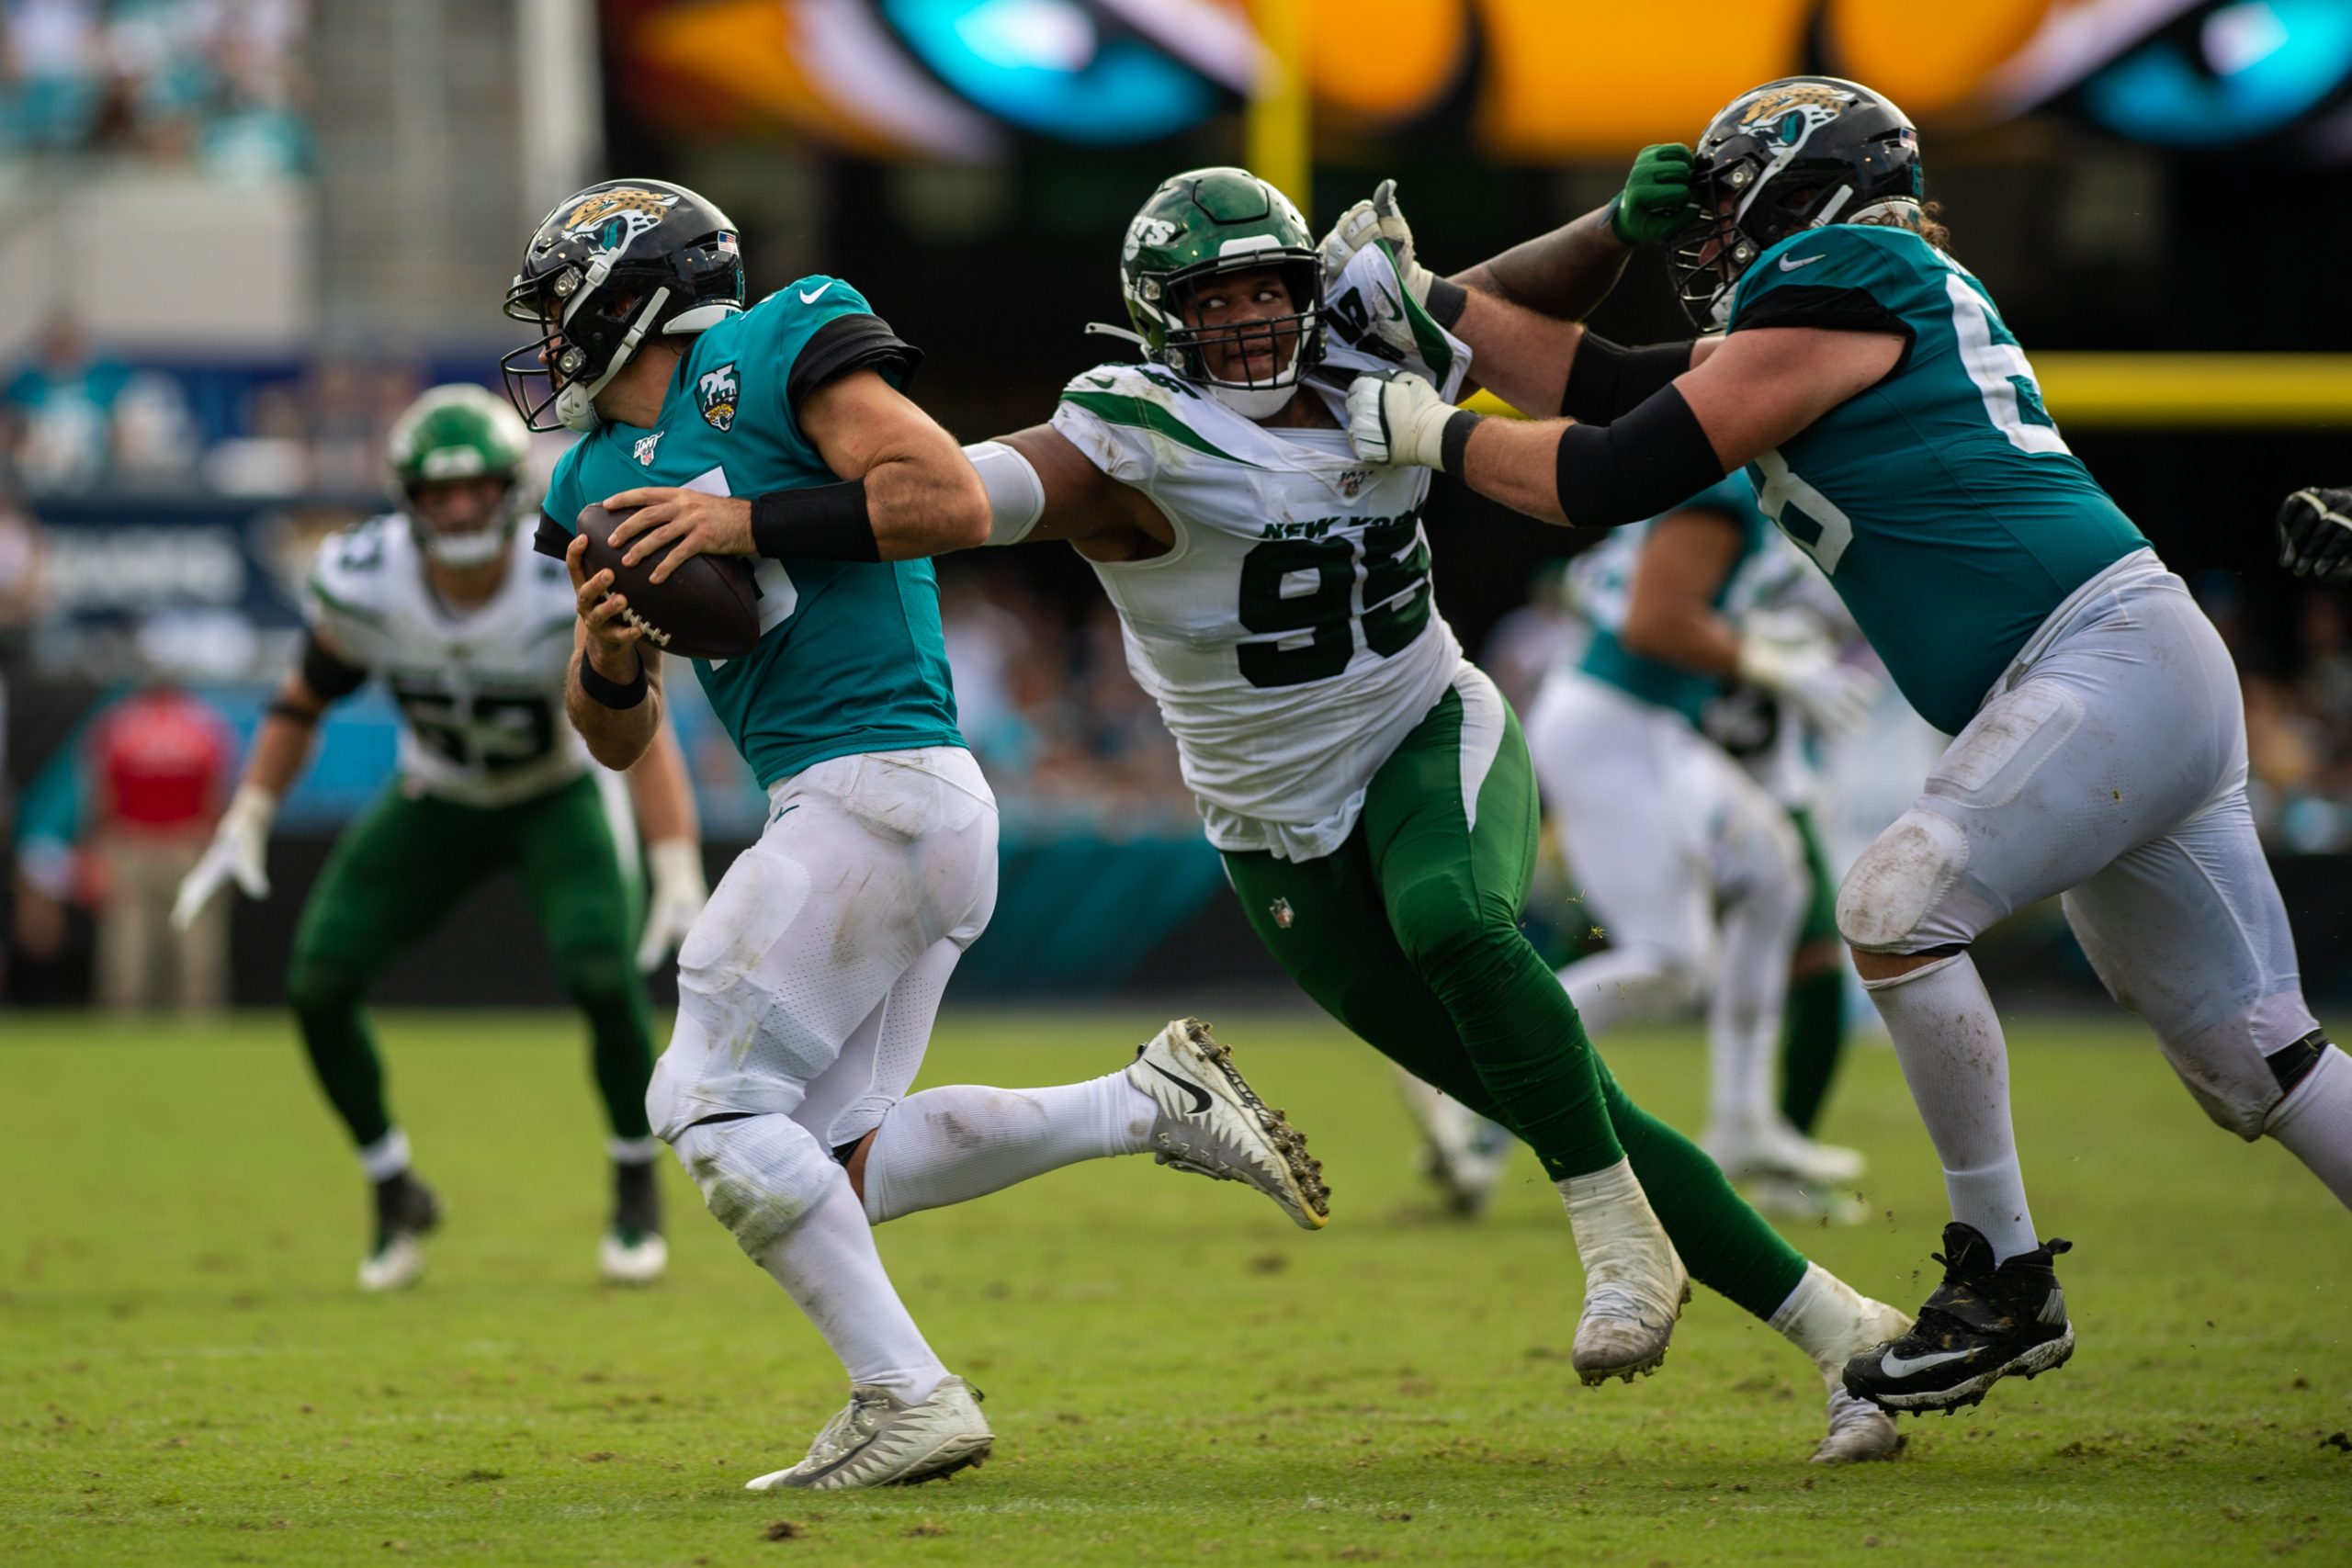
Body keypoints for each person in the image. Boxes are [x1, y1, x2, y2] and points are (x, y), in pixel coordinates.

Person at [1337, 76, 2352, 1416]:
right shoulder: (1838, 298)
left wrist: (1436, 433)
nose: (1706, 234)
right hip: (2120, 668)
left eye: (1721, 202)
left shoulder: (1845, 269)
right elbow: (1607, 380)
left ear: (1796, 190)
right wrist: (1435, 307)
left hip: (2098, 660)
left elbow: (1604, 472)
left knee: (1893, 902)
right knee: (2256, 1054)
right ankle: (2005, 1275)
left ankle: (2002, 1277)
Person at [925, 167, 1907, 1461]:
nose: (1253, 324)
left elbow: (1506, 299)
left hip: (1425, 725)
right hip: (1273, 829)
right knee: (1568, 1097)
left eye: (1271, 290)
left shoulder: (1369, 346)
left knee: (1455, 916)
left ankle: (1618, 1242)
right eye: (1215, 302)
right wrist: (765, 513)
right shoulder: (1128, 434)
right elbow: (946, 496)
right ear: (1161, 319)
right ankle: (1851, 1337)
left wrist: (1614, 226)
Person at [518, 178, 1328, 1494]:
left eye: (563, 306)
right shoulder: (589, 479)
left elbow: (943, 493)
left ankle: (905, 1391)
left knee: (705, 1099)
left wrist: (744, 518)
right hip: (866, 809)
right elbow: (614, 735)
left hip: (878, 782)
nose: (551, 340)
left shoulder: (765, 347)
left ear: (632, 295)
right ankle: (1141, 1103)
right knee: (834, 1158)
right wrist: (611, 658)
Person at [172, 383, 711, 1292]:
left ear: (509, 490)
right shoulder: (364, 579)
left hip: (555, 794)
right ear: (407, 499)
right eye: (438, 492)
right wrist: (248, 814)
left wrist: (674, 862)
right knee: (319, 980)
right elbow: (303, 698)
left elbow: (636, 722)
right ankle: (393, 1189)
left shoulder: (565, 569)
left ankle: (632, 1178)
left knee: (599, 972)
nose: (459, 509)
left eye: (475, 490)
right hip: (438, 793)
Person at [1526, 473, 1871, 1211]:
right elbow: (1656, 621)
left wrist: (1751, 635)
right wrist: (1764, 660)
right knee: (1672, 964)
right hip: (1617, 722)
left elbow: (1621, 592)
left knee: (1777, 873)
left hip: (1649, 724)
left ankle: (1744, 1119)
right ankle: (1473, 1059)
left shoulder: (1708, 471)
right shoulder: (1722, 484)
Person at [88, 678, 236, 1011]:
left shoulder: (120, 723)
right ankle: (198, 1024)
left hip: (134, 843)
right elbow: (217, 797)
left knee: (131, 944)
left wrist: (99, 851)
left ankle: (124, 1026)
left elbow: (102, 799)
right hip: (182, 844)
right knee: (192, 944)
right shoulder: (204, 724)